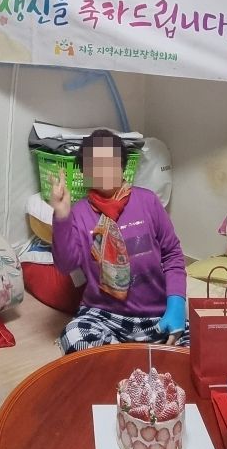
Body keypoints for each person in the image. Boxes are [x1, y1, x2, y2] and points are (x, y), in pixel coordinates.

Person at [49, 129, 189, 353]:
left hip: (156, 314)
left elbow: (172, 254)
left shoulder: (148, 201)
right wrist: (62, 216)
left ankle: (127, 356)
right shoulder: (79, 213)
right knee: (73, 336)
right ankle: (128, 358)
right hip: (104, 316)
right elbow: (66, 264)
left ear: (122, 166)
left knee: (203, 344)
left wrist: (176, 305)